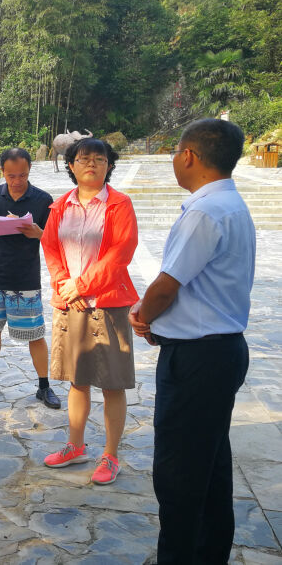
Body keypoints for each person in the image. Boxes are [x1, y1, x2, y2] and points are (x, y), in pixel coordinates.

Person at [129, 119, 254, 563]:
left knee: (180, 472)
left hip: (199, 358)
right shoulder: (230, 203)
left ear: (189, 156)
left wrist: (143, 317)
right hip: (220, 351)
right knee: (210, 464)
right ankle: (208, 554)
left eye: (175, 152)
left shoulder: (204, 212)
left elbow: (166, 286)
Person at [40, 138, 138, 486]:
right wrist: (65, 285)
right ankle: (76, 445)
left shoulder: (119, 205)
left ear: (109, 165)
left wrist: (82, 285)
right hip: (72, 303)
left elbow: (121, 251)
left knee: (112, 383)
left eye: (99, 158)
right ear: (71, 165)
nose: (92, 164)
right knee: (77, 380)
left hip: (108, 303)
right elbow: (50, 247)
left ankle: (110, 455)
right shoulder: (59, 206)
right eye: (83, 159)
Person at [0, 147, 59, 409]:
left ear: (29, 170)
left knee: (35, 334)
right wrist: (3, 226)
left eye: (22, 175)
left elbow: (54, 238)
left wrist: (37, 232)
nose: (17, 181)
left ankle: (44, 386)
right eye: (11, 176)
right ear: (3, 172)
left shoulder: (43, 199)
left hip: (26, 278)